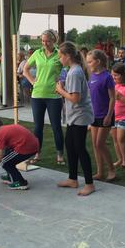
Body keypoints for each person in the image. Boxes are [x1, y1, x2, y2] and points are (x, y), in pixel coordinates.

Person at [55, 42, 95, 196]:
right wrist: (64, 89)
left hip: (80, 116)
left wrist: (60, 90)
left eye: (60, 56)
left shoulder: (75, 72)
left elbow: (75, 98)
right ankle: (73, 179)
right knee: (70, 146)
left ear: (68, 56)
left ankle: (89, 183)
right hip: (74, 116)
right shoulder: (73, 70)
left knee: (80, 148)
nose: (59, 60)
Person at [23, 30, 64, 164]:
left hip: (54, 96)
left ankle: (60, 155)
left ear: (54, 41)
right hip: (37, 95)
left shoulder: (59, 54)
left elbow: (68, 69)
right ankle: (37, 154)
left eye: (47, 41)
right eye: (43, 41)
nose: (45, 43)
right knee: (37, 127)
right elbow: (25, 70)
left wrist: (62, 83)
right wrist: (33, 81)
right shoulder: (37, 53)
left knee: (56, 126)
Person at [0, 118, 39, 191]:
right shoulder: (6, 129)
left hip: (26, 148)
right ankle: (10, 176)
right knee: (6, 155)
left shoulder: (0, 134)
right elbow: (5, 150)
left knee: (4, 161)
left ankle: (21, 182)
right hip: (33, 145)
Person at [87, 49, 116, 181]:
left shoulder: (107, 77)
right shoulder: (91, 76)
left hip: (105, 115)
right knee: (95, 144)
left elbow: (112, 98)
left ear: (98, 62)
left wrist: (109, 115)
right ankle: (100, 172)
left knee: (100, 144)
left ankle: (111, 170)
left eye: (90, 61)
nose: (88, 64)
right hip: (94, 115)